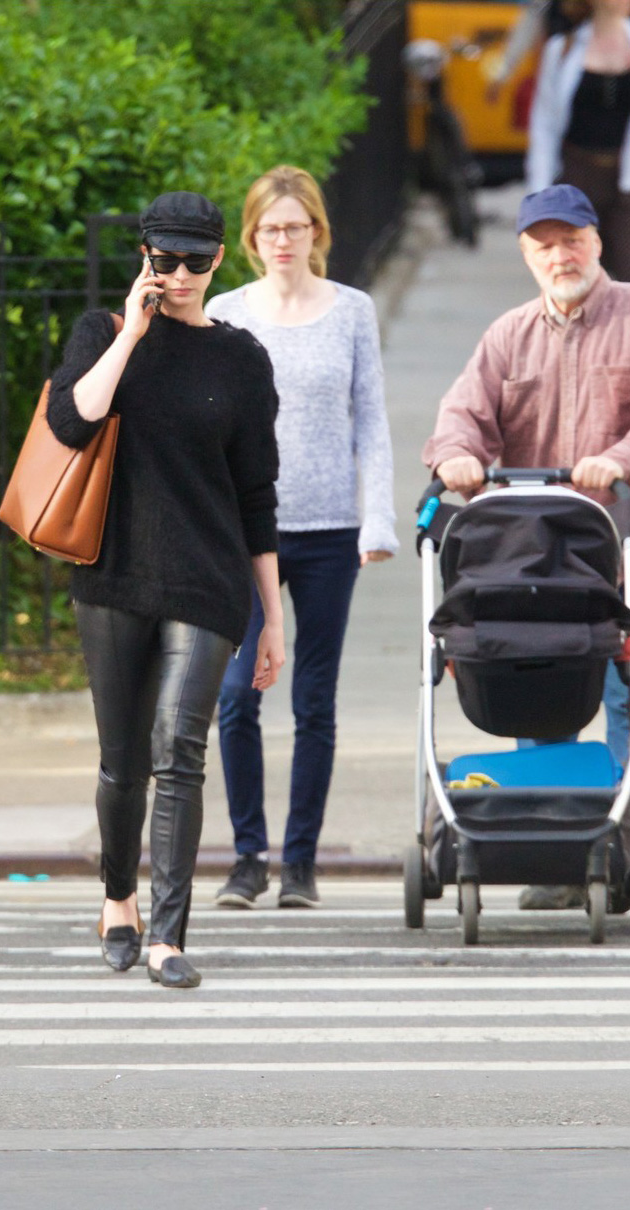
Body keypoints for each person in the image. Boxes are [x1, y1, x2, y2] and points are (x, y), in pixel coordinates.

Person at [46, 191, 285, 987]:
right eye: (164, 258)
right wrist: (133, 332)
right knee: (124, 762)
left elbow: (257, 496)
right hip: (113, 573)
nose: (178, 274)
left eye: (193, 260)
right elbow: (73, 422)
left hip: (208, 578)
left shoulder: (243, 359)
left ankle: (167, 938)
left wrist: (272, 615)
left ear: (220, 259)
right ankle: (118, 898)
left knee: (179, 750)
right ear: (144, 255)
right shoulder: (102, 333)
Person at [422, 182, 630, 909]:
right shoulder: (507, 334)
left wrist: (619, 458)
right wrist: (454, 454)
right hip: (537, 550)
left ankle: (620, 842)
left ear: (595, 241)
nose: (559, 255)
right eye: (542, 245)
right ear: (524, 255)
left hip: (620, 544)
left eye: (570, 239)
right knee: (540, 688)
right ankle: (558, 854)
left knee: (622, 696)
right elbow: (461, 414)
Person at [205, 165, 398, 911]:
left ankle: (301, 864)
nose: (282, 239)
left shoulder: (351, 311)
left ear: (317, 230)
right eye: (268, 227)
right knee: (234, 696)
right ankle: (247, 857)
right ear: (250, 238)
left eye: (296, 225)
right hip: (243, 532)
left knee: (314, 700)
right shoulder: (226, 312)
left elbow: (370, 421)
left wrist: (374, 517)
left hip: (327, 533)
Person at [526, 0, 630, 280]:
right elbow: (544, 124)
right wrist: (539, 193)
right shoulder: (562, 49)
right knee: (576, 279)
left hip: (625, 182)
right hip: (577, 177)